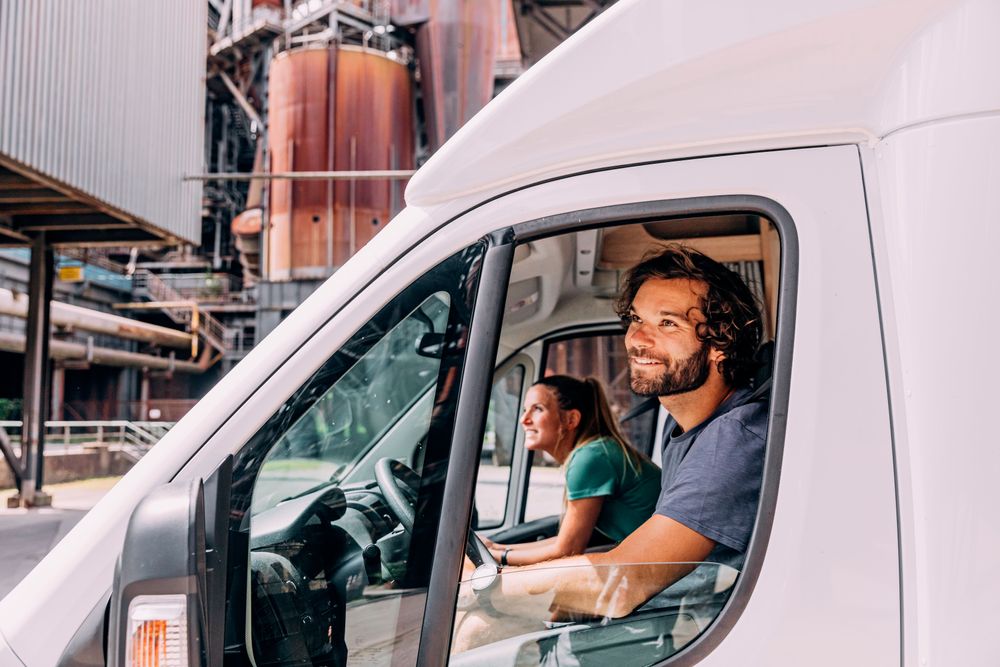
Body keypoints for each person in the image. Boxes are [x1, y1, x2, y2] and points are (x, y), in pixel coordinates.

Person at [454, 244, 767, 652]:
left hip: (694, 635)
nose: (636, 338)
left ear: (720, 343)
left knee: (480, 625)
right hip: (672, 616)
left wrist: (479, 586)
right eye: (636, 319)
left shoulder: (735, 437)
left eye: (667, 323)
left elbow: (625, 581)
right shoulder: (687, 428)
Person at [483, 375, 661, 567]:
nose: (524, 420)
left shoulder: (591, 458)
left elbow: (567, 550)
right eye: (525, 410)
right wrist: (497, 547)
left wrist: (498, 557)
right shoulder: (596, 450)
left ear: (571, 419)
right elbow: (565, 541)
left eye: (537, 409)